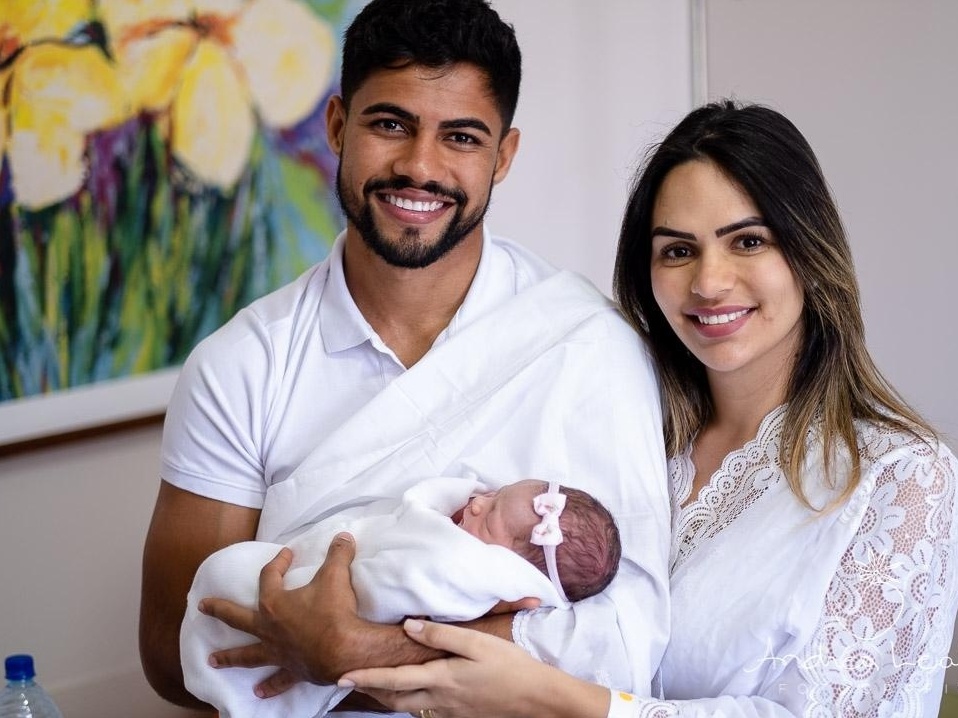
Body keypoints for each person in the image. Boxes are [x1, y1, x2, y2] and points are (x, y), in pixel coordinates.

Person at [323, 100, 958, 716]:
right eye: (677, 251)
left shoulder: (899, 477)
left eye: (748, 241)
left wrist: (555, 700)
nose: (709, 282)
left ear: (809, 251)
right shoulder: (618, 431)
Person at [139, 0, 670, 713]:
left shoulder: (586, 344)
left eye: (461, 137)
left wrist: (361, 652)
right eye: (391, 124)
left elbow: (626, 636)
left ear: (503, 157)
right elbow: (174, 648)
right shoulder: (239, 367)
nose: (420, 167)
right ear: (337, 127)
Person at [182, 476, 621, 718]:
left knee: (232, 578)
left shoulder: (462, 572)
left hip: (314, 599)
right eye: (493, 495)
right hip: (291, 570)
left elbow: (387, 587)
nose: (475, 504)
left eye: (489, 520)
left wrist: (343, 630)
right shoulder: (469, 521)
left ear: (516, 582)